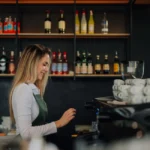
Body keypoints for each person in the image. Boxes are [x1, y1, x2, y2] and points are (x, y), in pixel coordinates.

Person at [9, 44, 76, 141]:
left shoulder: (33, 89)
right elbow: (25, 133)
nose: (46, 69)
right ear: (32, 63)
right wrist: (58, 123)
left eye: (47, 65)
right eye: (44, 64)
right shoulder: (23, 89)